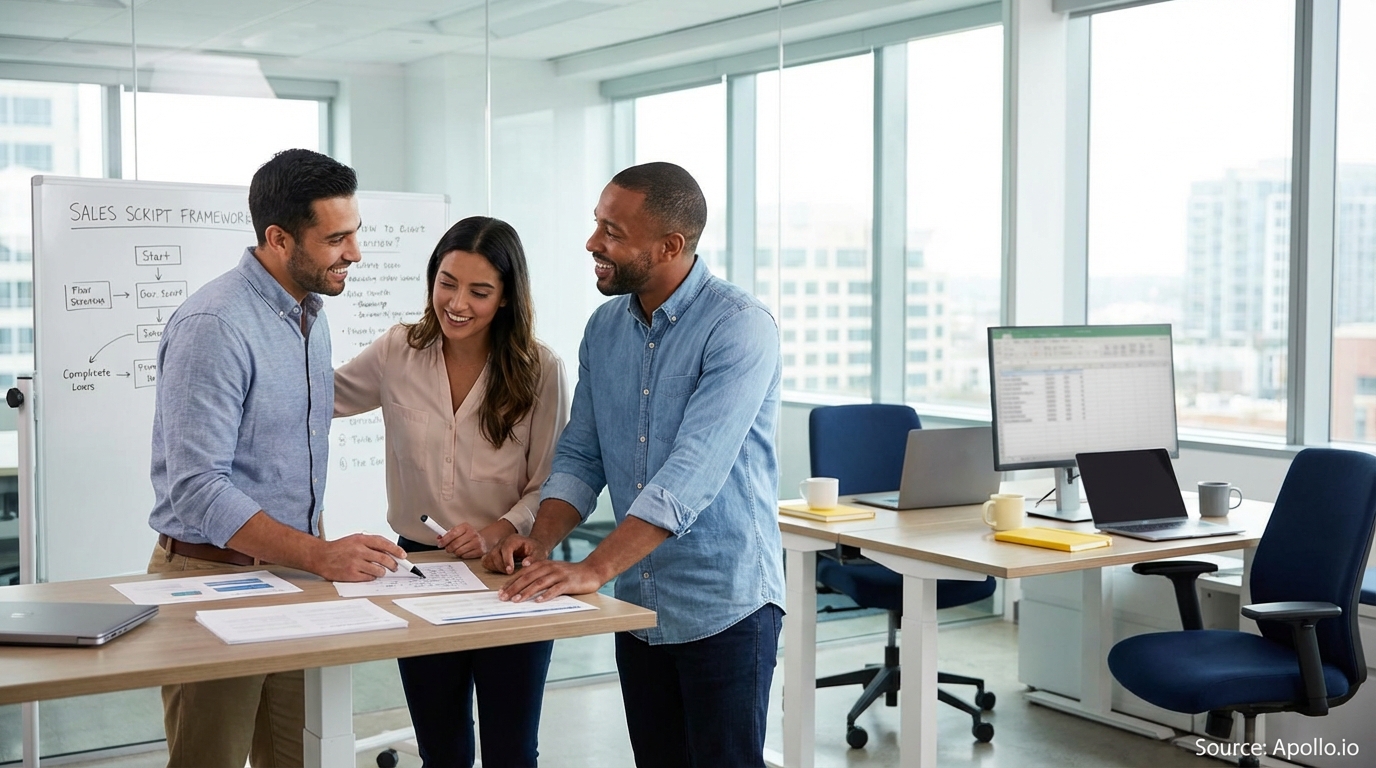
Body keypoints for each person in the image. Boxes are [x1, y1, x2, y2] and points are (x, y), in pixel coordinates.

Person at [483, 162, 785, 767]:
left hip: (725, 609)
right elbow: (581, 453)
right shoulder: (604, 329)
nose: (593, 243)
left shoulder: (739, 328)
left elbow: (689, 476)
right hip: (639, 606)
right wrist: (540, 542)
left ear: (669, 246)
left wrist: (592, 569)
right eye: (597, 224)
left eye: (613, 232)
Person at [147, 148, 411, 768]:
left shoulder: (310, 315)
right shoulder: (215, 323)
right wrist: (320, 554)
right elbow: (197, 488)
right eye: (337, 239)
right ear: (278, 238)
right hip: (210, 578)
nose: (355, 253)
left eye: (356, 234)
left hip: (294, 575)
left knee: (302, 758)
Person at [334, 216, 569, 767]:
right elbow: (322, 397)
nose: (457, 303)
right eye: (447, 283)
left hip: (509, 573)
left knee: (511, 749)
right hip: (417, 568)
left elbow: (551, 485)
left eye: (479, 291)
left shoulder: (541, 370)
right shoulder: (398, 350)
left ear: (508, 297)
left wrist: (497, 530)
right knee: (441, 746)